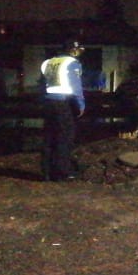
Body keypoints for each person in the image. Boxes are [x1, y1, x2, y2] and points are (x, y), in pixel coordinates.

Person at [40, 41, 86, 181]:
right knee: (64, 137)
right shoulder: (72, 63)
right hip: (63, 103)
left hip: (48, 102)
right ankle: (63, 172)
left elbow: (42, 83)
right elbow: (75, 87)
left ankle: (47, 172)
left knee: (49, 137)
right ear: (72, 50)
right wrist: (81, 104)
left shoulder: (48, 62)